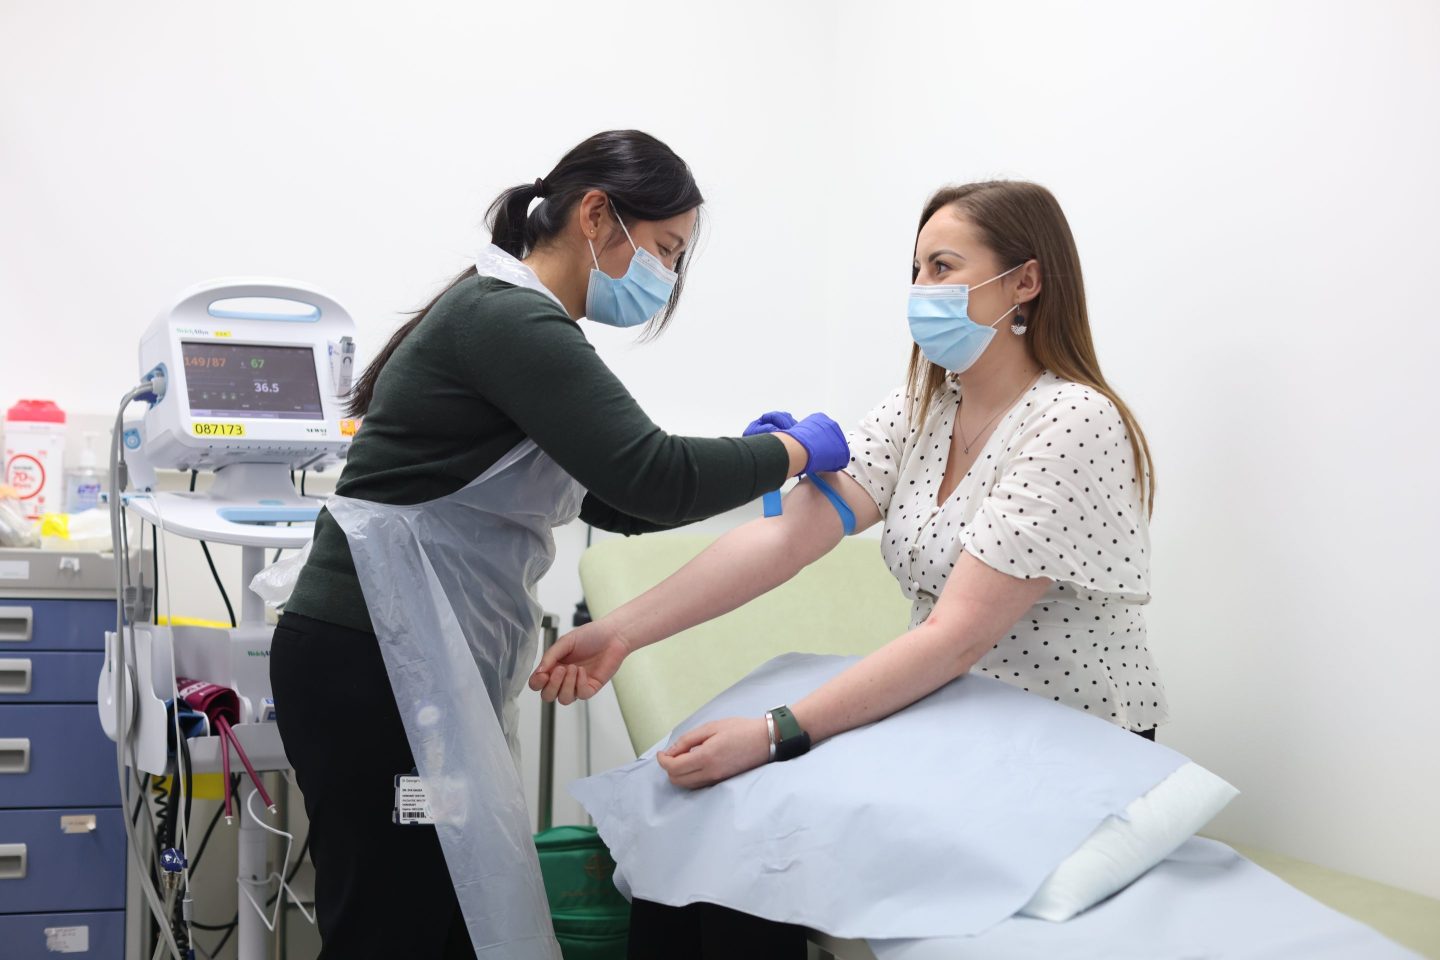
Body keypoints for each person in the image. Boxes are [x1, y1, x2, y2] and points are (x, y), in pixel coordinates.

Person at [531, 180, 1168, 960]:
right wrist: (621, 633)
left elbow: (955, 637)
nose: (920, 291)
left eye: (943, 267)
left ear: (1026, 282)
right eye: (917, 270)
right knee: (703, 819)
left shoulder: (1073, 421)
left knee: (762, 814)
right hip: (954, 723)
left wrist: (773, 734)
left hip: (1060, 746)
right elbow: (782, 543)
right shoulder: (920, 411)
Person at [268, 129, 849, 960]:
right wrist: (792, 451)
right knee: (394, 917)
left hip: (406, 660)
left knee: (436, 912)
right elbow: (654, 476)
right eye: (665, 250)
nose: (666, 278)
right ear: (596, 214)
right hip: (372, 660)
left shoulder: (513, 321)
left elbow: (618, 499)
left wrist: (747, 462)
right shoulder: (507, 318)